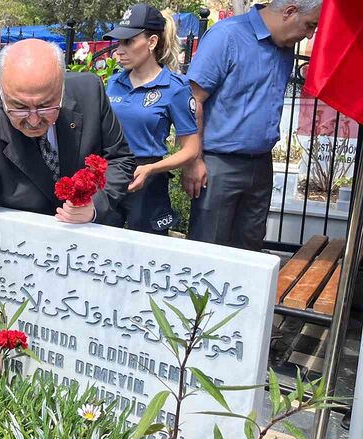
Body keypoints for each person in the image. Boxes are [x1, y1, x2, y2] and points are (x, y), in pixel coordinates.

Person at [0, 40, 135, 381]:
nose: (34, 120)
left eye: (47, 106)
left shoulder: (90, 92)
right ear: (1, 91)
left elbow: (120, 159)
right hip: (30, 271)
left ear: (62, 86)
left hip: (93, 259)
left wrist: (95, 207)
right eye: (19, 108)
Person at [183, 0, 321, 251]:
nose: (310, 34)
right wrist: (193, 160)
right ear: (290, 12)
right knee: (208, 251)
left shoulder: (284, 47)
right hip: (218, 164)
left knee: (250, 251)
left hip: (261, 165)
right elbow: (193, 100)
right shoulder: (227, 36)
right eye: (310, 25)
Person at [102, 4, 200, 234]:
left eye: (128, 42)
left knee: (147, 256)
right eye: (118, 43)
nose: (119, 51)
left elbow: (190, 150)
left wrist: (151, 169)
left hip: (148, 181)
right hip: (110, 176)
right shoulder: (114, 83)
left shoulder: (175, 89)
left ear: (152, 42)